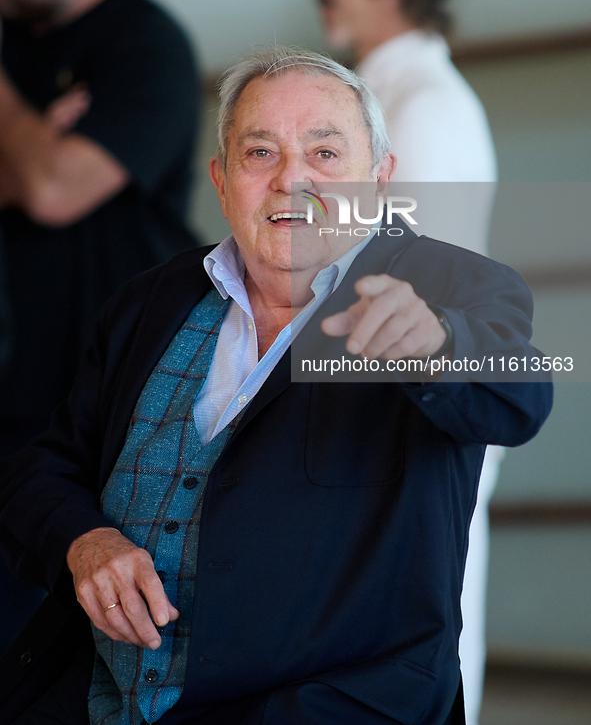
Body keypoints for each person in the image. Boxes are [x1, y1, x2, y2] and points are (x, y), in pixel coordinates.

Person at [0, 46, 551, 725]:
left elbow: (520, 394)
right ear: (221, 178)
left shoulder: (446, 285)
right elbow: (42, 467)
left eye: (324, 154)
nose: (292, 180)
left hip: (332, 707)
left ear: (378, 179)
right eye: (260, 153)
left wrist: (434, 346)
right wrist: (85, 540)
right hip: (94, 699)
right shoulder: (151, 300)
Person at [0, 0, 201, 651]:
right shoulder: (19, 36)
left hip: (104, 388)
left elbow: (54, 191)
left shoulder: (145, 46)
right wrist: (36, 141)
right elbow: (44, 175)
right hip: (13, 381)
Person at [313, 0, 499, 724]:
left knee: (421, 641)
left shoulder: (425, 107)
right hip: (373, 412)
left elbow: (405, 287)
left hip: (408, 414)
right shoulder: (383, 97)